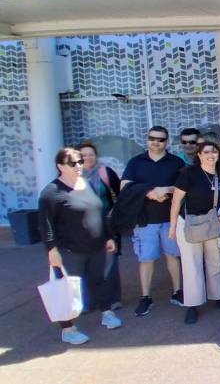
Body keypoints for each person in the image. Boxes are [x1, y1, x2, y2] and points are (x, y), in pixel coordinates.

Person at [40, 147, 121, 344]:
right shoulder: (51, 192)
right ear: (60, 166)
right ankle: (68, 330)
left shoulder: (86, 184)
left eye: (80, 162)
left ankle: (107, 313)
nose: (78, 166)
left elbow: (99, 212)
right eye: (72, 163)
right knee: (67, 290)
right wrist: (52, 250)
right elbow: (45, 225)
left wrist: (108, 237)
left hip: (96, 246)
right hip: (70, 250)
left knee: (99, 281)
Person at [168, 141, 220, 324]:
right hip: (191, 224)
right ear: (199, 155)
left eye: (214, 152)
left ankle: (218, 296)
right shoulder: (189, 173)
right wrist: (173, 226)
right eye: (206, 152)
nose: (210, 155)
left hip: (214, 224)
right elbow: (176, 200)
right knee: (192, 265)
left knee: (215, 262)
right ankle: (192, 304)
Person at [121, 126, 185, 317]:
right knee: (146, 258)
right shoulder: (135, 162)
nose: (156, 142)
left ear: (167, 141)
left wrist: (166, 189)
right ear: (147, 139)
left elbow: (185, 186)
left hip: (171, 219)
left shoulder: (176, 162)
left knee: (173, 256)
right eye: (152, 138)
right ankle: (145, 297)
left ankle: (178, 291)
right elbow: (125, 186)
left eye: (161, 139)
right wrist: (149, 192)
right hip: (144, 220)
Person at [78, 142, 123, 310]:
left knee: (109, 263)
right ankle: (88, 301)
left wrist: (114, 214)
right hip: (81, 226)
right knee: (85, 264)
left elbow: (120, 195)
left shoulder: (105, 172)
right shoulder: (72, 176)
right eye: (83, 155)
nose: (88, 158)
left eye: (91, 154)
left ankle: (112, 299)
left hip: (106, 223)